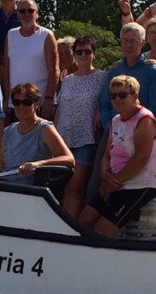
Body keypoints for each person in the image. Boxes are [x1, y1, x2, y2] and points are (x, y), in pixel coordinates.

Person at [89, 22, 156, 202]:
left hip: (140, 132)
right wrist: (111, 125)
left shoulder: (152, 70)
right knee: (96, 181)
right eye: (125, 41)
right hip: (114, 130)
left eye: (133, 41)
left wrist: (132, 125)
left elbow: (155, 106)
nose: (128, 45)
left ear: (142, 42)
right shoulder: (114, 70)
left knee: (125, 181)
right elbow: (105, 103)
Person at [78, 75, 156, 237]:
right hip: (113, 183)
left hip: (137, 185)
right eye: (113, 96)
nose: (117, 99)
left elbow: (141, 158)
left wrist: (114, 182)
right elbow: (108, 153)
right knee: (80, 222)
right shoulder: (116, 120)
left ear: (135, 95)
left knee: (101, 231)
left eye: (122, 95)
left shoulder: (145, 119)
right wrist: (104, 173)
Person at [0, 82, 73, 185]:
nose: (21, 106)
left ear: (36, 104)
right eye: (16, 102)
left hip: (30, 191)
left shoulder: (45, 128)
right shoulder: (8, 131)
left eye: (27, 102)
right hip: (5, 188)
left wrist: (38, 164)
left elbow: (69, 159)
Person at [54, 35, 107, 216]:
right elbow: (60, 109)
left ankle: (69, 230)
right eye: (79, 51)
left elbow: (108, 103)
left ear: (94, 54)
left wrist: (100, 111)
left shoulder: (103, 77)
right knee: (62, 187)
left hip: (86, 139)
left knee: (75, 188)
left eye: (87, 51)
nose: (83, 55)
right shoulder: (66, 80)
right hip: (63, 138)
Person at [4, 0, 58, 119]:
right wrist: (6, 99)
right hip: (16, 103)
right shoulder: (10, 35)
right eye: (22, 11)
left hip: (39, 104)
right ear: (17, 14)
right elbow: (7, 69)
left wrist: (48, 100)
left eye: (30, 10)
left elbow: (54, 70)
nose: (26, 14)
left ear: (37, 14)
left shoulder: (46, 35)